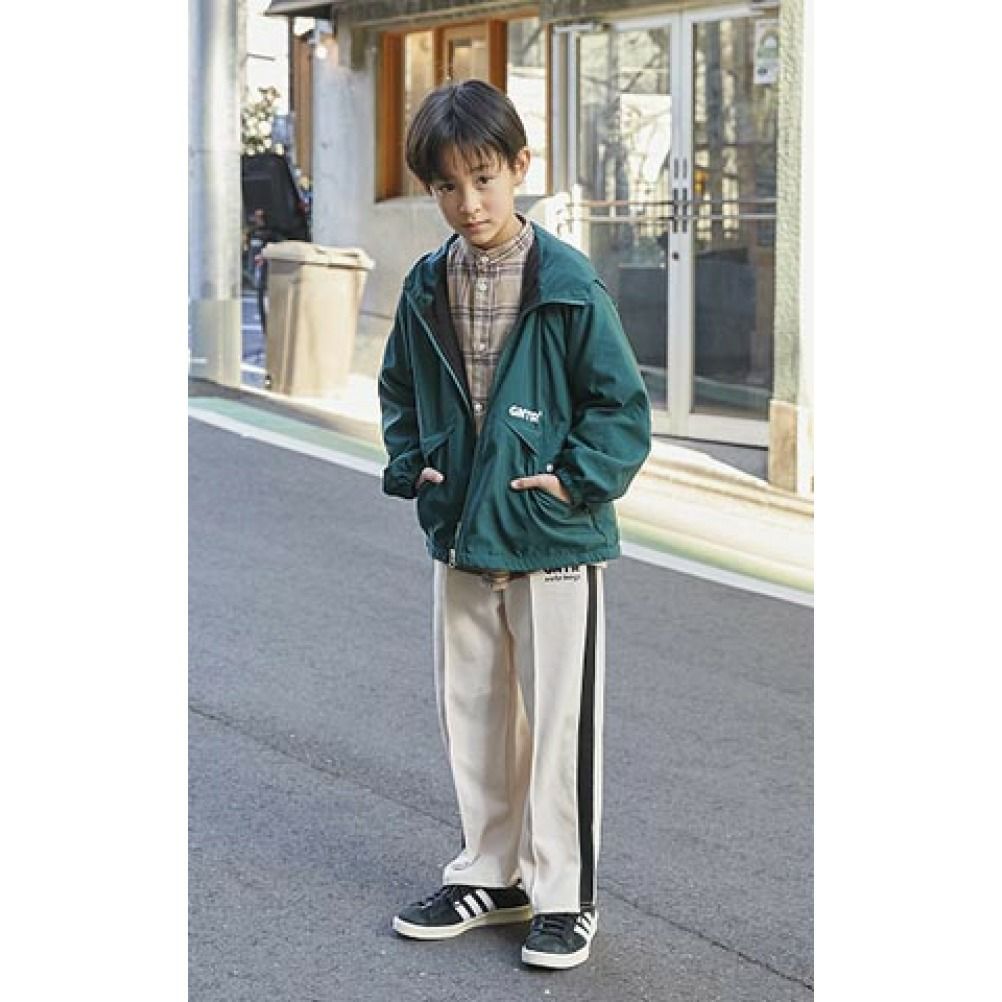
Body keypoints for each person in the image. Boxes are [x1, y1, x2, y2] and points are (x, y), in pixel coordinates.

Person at [378, 79, 651, 971]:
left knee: (558, 720)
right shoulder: (427, 283)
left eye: (485, 179)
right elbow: (398, 389)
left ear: (521, 167)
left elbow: (620, 408)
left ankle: (564, 893)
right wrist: (414, 463)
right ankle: (491, 874)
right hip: (461, 528)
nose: (469, 203)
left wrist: (575, 484)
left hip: (552, 538)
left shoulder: (568, 284)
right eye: (448, 186)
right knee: (473, 711)